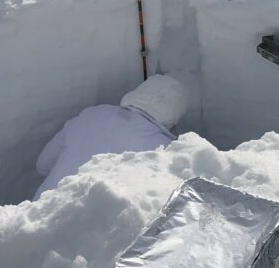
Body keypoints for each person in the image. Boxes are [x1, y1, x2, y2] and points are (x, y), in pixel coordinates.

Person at [33, 74, 189, 199]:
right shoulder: (162, 148)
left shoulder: (91, 114)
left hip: (32, 217)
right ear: (173, 116)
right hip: (85, 233)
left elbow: (43, 164)